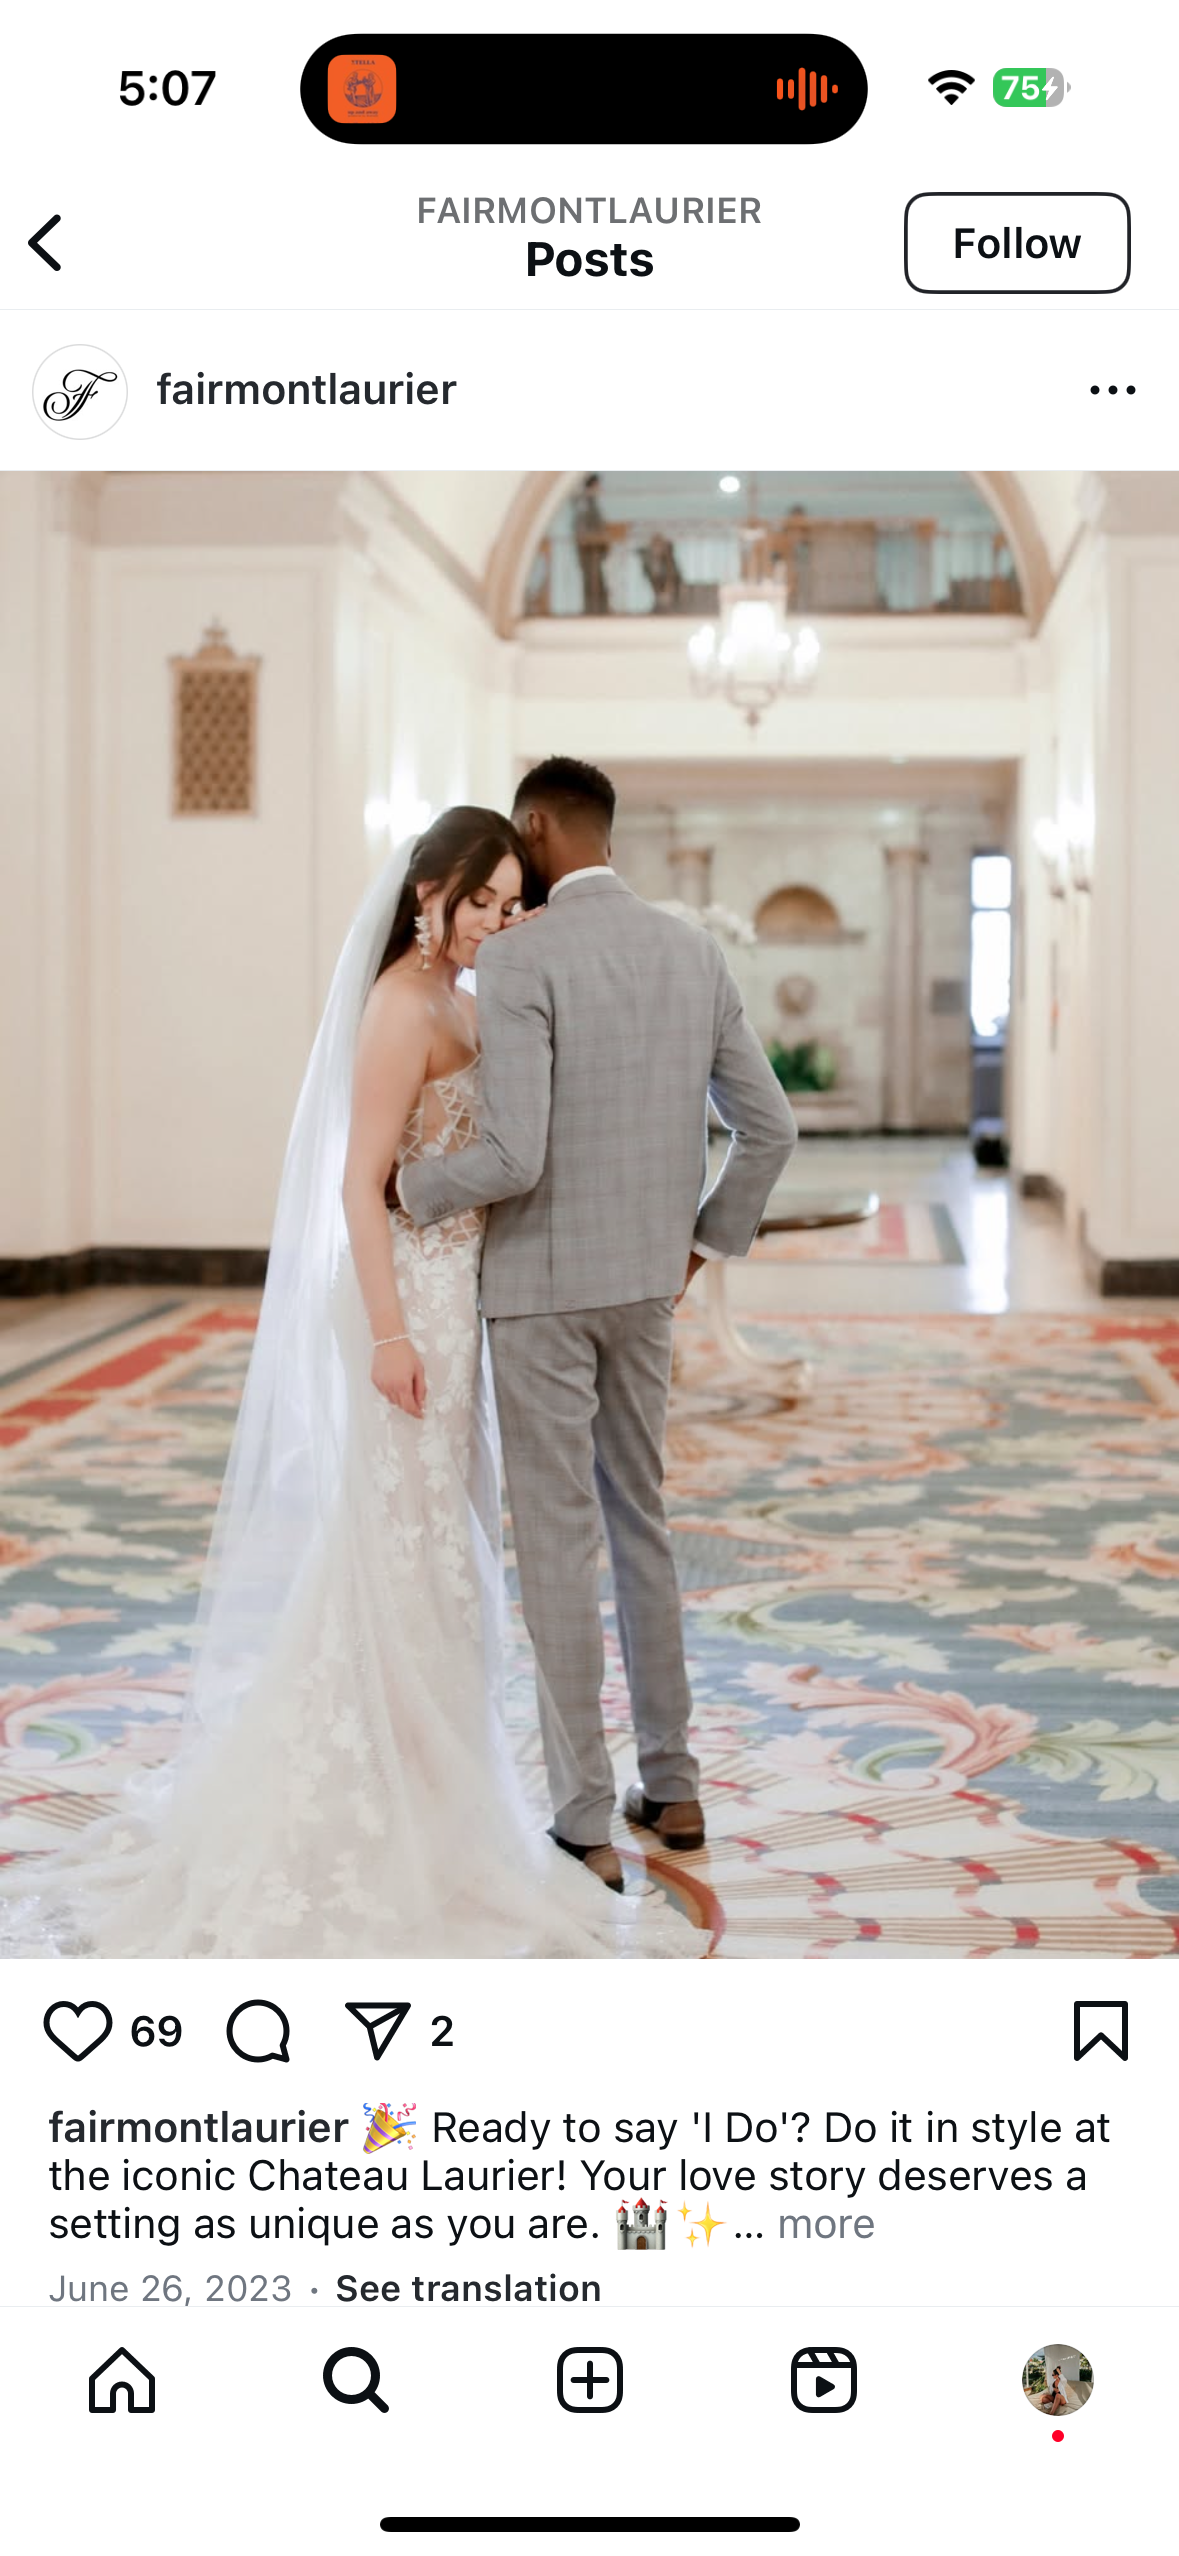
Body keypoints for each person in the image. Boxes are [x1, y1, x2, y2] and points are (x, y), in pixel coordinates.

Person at [1, 808, 692, 1959]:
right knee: (401, 1541)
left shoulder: (472, 1000)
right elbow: (359, 1186)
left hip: (462, 1300)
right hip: (407, 1302)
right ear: (429, 890)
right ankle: (382, 1790)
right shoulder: (396, 1009)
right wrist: (386, 1335)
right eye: (482, 901)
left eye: (513, 904)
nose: (499, 922)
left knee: (443, 1547)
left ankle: (435, 1776)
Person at [398, 756, 797, 1890]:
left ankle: (581, 1814)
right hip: (641, 1288)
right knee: (643, 1525)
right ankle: (672, 1787)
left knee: (561, 1544)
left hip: (537, 1289)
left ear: (533, 825)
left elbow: (514, 1155)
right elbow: (768, 1130)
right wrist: (699, 1241)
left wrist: (408, 1189)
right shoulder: (693, 950)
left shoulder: (522, 958)